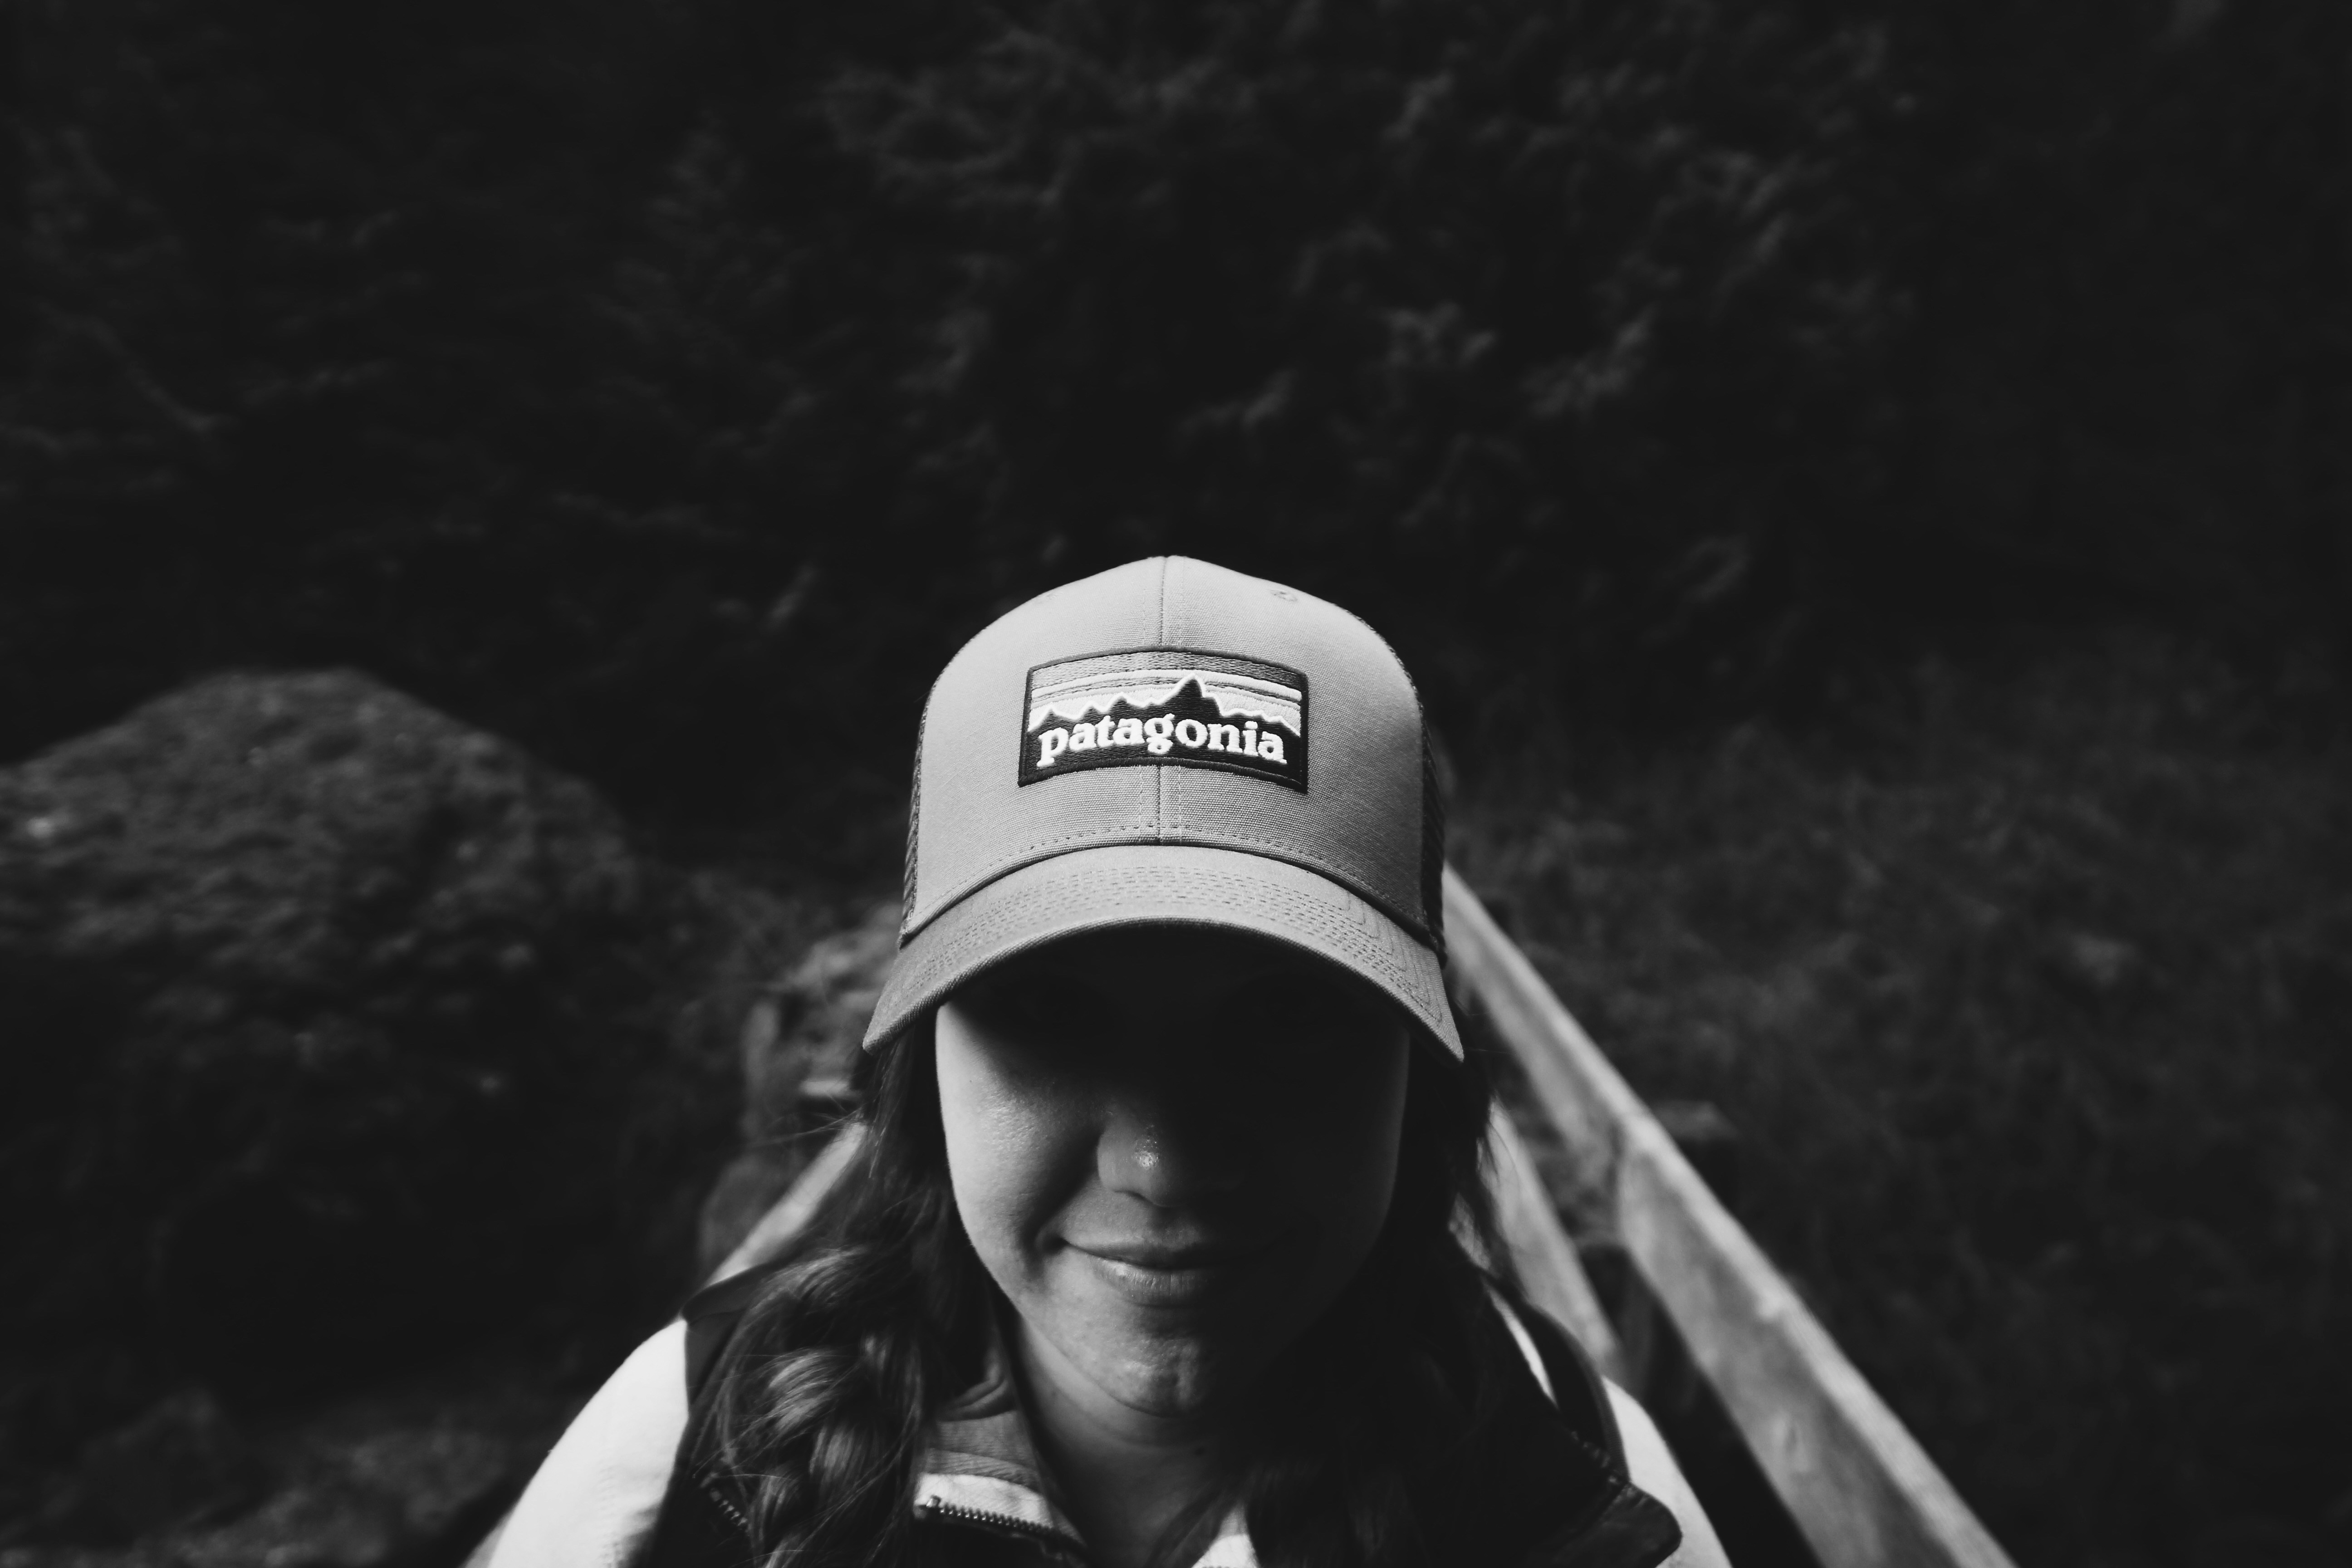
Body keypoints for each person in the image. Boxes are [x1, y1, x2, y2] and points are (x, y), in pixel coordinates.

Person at [489, 557, 1730, 1568]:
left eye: (1285, 1020)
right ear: (926, 1063)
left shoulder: (1590, 1510)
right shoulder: (678, 1460)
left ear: (1418, 1061)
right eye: (1048, 1015)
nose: (1161, 1161)